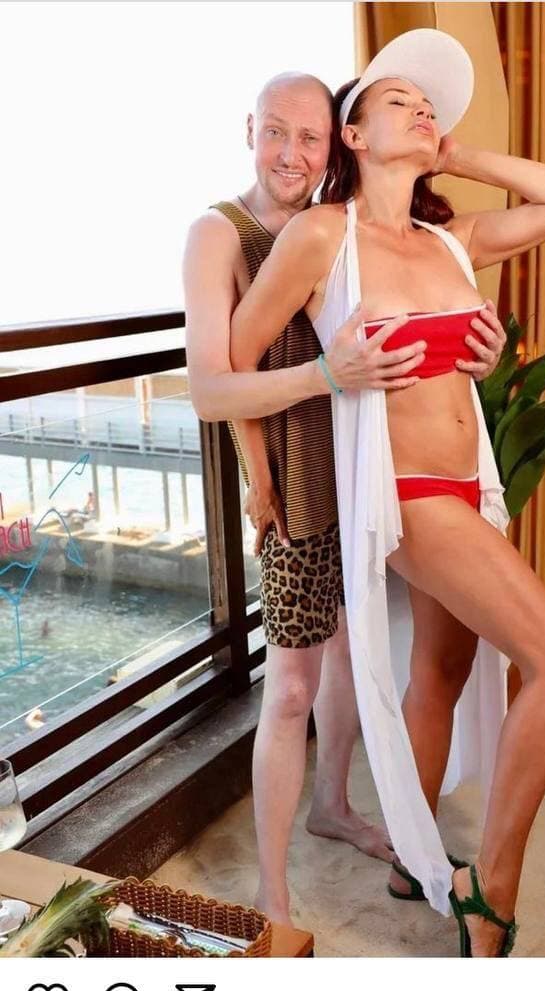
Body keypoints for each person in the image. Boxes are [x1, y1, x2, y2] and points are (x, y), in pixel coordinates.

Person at [228, 29, 545, 957]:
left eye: (429, 107)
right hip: (405, 495)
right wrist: (266, 465)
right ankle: (488, 889)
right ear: (353, 135)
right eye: (401, 102)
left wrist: (456, 156)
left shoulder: (449, 241)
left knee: (443, 668)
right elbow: (238, 355)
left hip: (470, 486)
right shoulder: (323, 235)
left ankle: (411, 856)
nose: (424, 111)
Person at [182, 69, 506, 927]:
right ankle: (273, 891)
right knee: (291, 687)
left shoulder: (347, 226)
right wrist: (262, 469)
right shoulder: (222, 234)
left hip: (367, 473)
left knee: (350, 665)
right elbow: (214, 385)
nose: (290, 153)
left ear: (336, 146)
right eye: (274, 132)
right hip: (297, 480)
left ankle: (332, 804)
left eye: (309, 137)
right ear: (249, 130)